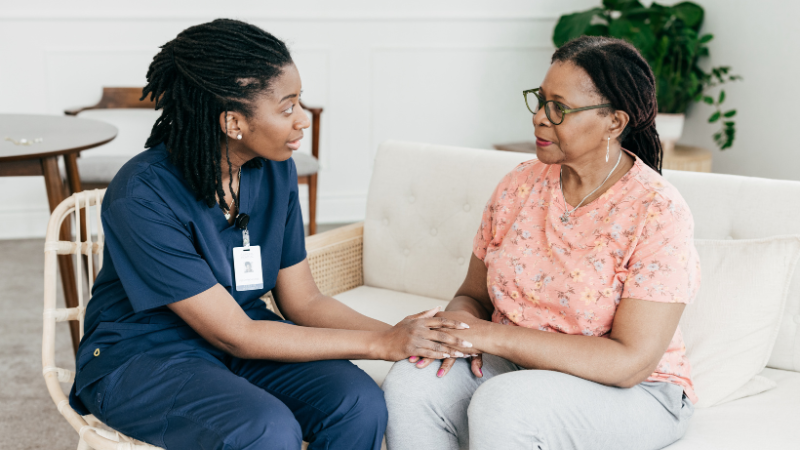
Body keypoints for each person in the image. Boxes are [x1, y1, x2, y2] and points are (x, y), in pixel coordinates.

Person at [68, 19, 472, 450]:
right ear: (232, 122)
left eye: (301, 103)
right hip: (145, 357)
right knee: (266, 430)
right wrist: (381, 343)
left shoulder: (276, 170)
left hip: (244, 338)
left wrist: (404, 335)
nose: (303, 121)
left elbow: (305, 301)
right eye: (287, 108)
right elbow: (234, 333)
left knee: (358, 403)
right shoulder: (141, 195)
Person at [382, 36, 702, 450]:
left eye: (560, 108)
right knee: (412, 382)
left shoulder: (657, 211)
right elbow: (472, 297)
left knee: (506, 404)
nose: (539, 118)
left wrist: (490, 338)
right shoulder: (518, 185)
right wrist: (457, 331)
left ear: (614, 122)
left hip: (636, 392)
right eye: (540, 100)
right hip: (514, 367)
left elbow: (629, 363)